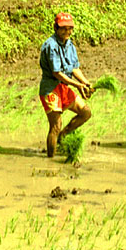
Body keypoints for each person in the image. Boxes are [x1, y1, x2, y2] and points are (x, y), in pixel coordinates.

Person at [39, 12, 93, 158]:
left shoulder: (69, 45)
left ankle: (63, 136)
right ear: (55, 28)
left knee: (86, 112)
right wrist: (77, 85)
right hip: (51, 89)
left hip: (64, 87)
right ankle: (50, 160)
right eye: (63, 28)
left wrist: (85, 82)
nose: (67, 31)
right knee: (55, 126)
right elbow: (57, 73)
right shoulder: (51, 45)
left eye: (70, 28)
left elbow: (74, 68)